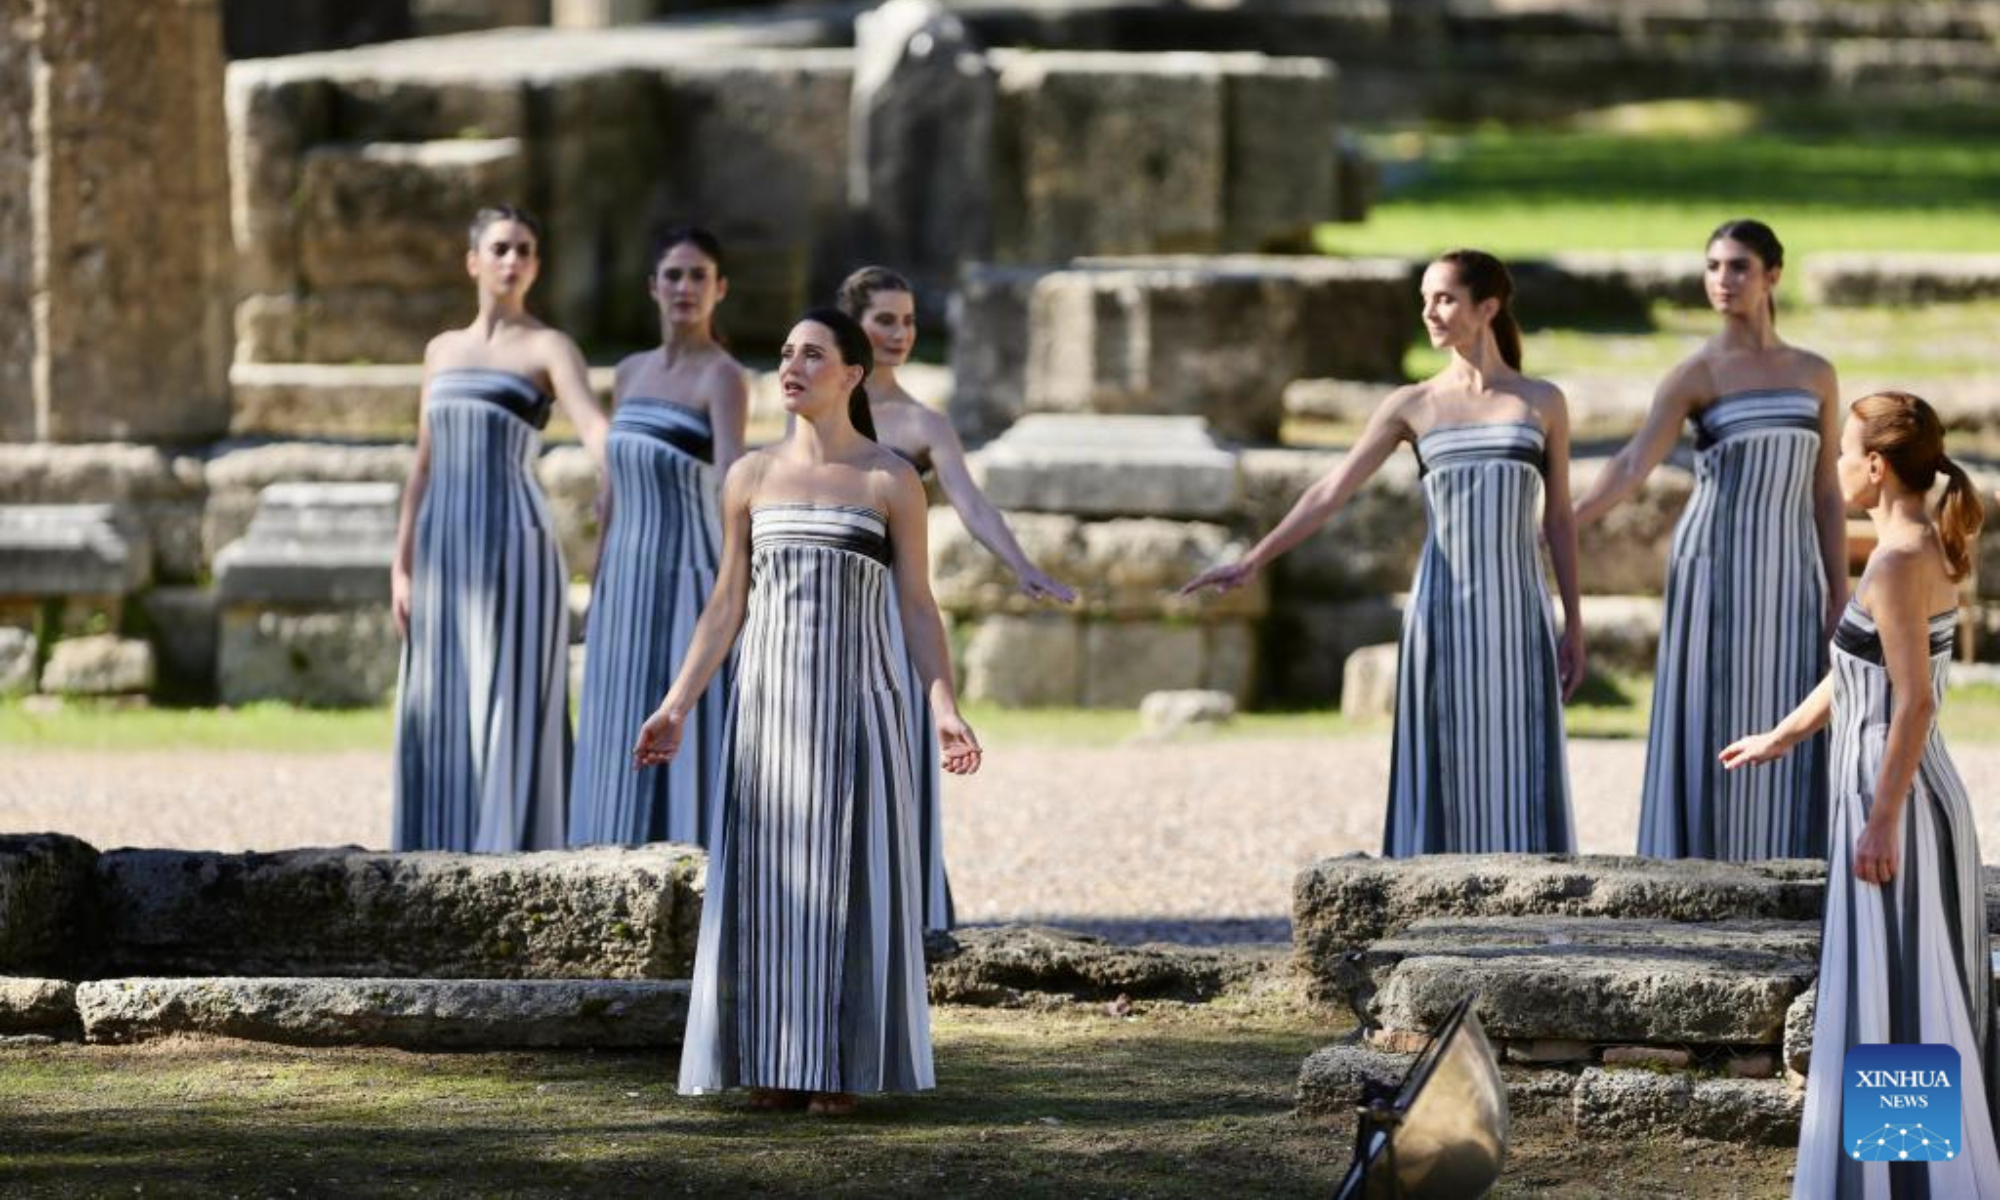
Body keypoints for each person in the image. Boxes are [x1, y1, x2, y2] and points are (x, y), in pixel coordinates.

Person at [636, 307, 981, 1114]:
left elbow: (919, 608)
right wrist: (677, 703)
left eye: (813, 355)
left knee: (851, 878)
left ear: (851, 374)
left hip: (863, 706)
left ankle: (842, 1063)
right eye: (786, 352)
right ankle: (769, 1056)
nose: (791, 366)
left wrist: (944, 707)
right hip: (768, 709)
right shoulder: (749, 477)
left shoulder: (888, 479)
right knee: (766, 880)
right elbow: (727, 603)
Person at [1183, 249, 1582, 855]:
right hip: (1441, 611)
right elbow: (1329, 491)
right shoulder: (1412, 406)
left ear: (1489, 307)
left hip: (1520, 613)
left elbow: (1557, 521)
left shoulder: (1540, 402)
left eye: (1444, 299)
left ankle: (1531, 906)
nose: (1429, 312)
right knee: (1445, 758)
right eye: (1425, 299)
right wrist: (1253, 559)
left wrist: (1573, 622)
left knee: (1519, 755)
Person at [1721, 391, 1993, 1196]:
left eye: (1843, 451)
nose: (1835, 465)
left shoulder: (1899, 557)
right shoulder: (1918, 545)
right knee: (1893, 992)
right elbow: (1860, 668)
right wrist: (1783, 734)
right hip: (1898, 797)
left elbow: (1914, 700)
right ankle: (1900, 1175)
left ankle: (1909, 1182)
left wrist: (1881, 822)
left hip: (1896, 804)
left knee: (1899, 998)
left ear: (1874, 466)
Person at [1576, 219, 1843, 860]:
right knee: (1714, 712)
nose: (1723, 280)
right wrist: (1565, 518)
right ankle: (1703, 872)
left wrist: (1838, 594)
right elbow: (1634, 464)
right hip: (1713, 566)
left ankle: (1793, 869)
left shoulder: (1815, 374)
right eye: (1714, 267)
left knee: (1792, 709)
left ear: (1773, 275)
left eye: (1739, 266)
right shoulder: (1695, 374)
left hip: (1791, 572)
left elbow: (1827, 493)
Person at [834, 265, 1074, 931]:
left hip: (889, 609)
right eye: (885, 320)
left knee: (895, 762)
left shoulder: (923, 422)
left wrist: (1021, 565)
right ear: (852, 323)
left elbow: (971, 503)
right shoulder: (819, 408)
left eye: (909, 321)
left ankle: (904, 917)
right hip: (819, 607)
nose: (900, 333)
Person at [390, 205, 609, 852]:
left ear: (536, 266)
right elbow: (423, 463)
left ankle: (512, 854)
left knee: (509, 696)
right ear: (474, 261)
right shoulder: (440, 351)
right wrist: (401, 564)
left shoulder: (549, 346)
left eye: (525, 251)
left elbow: (597, 431)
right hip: (439, 547)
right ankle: (433, 860)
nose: (513, 260)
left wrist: (617, 485)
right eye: (501, 248)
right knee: (441, 695)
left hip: (515, 544)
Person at [569, 227, 748, 848]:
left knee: (680, 728)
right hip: (623, 579)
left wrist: (738, 585)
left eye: (699, 276)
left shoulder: (723, 377)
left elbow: (734, 481)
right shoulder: (628, 372)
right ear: (653, 287)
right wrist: (596, 586)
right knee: (613, 720)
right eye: (673, 275)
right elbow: (612, 489)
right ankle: (600, 863)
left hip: (687, 578)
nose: (685, 287)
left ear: (719, 289)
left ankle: (689, 874)